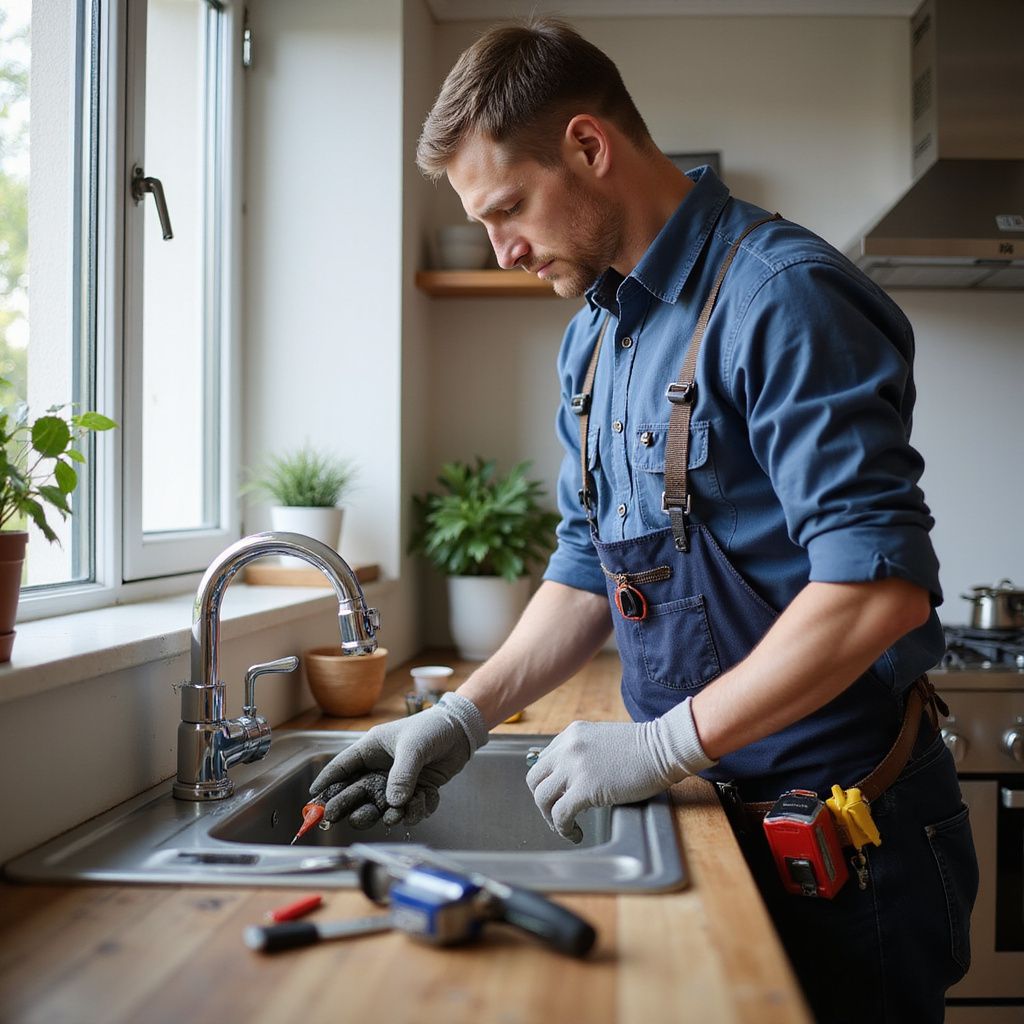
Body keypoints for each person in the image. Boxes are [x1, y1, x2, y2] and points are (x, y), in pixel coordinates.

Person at [310, 18, 978, 1021]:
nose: (502, 249)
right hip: (712, 812)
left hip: (841, 839)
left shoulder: (782, 298)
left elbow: (873, 591)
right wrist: (465, 713)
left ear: (587, 146)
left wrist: (661, 745)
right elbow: (588, 566)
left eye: (509, 211)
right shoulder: (593, 339)